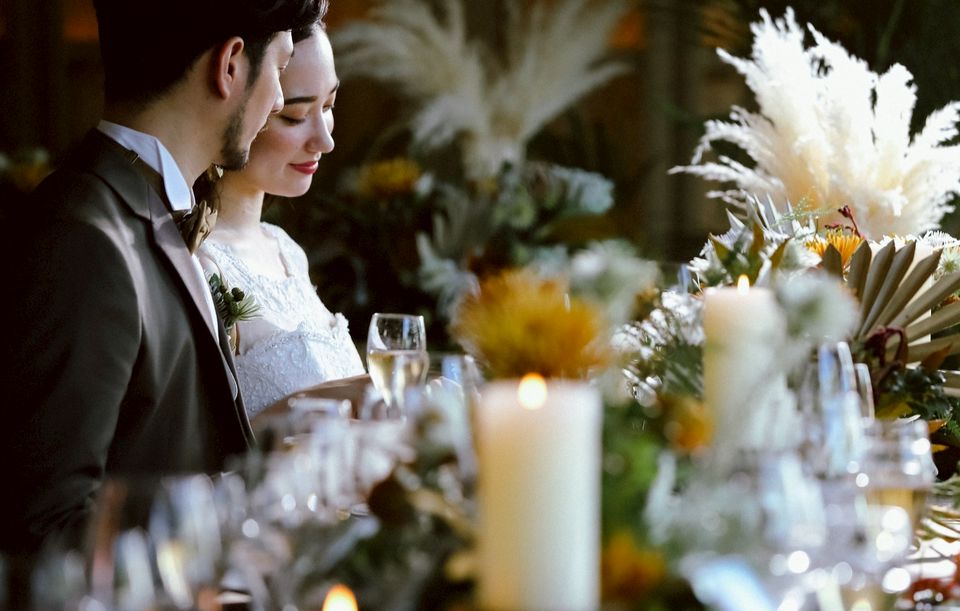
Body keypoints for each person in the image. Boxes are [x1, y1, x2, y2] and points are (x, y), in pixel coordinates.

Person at [0, 0, 325, 576]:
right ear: (230, 65)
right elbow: (44, 527)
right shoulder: (84, 239)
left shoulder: (145, 208)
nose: (278, 98)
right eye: (279, 69)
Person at [198, 14, 366, 418]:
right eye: (294, 116)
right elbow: (206, 436)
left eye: (328, 106)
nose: (324, 140)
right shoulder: (201, 263)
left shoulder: (287, 250)